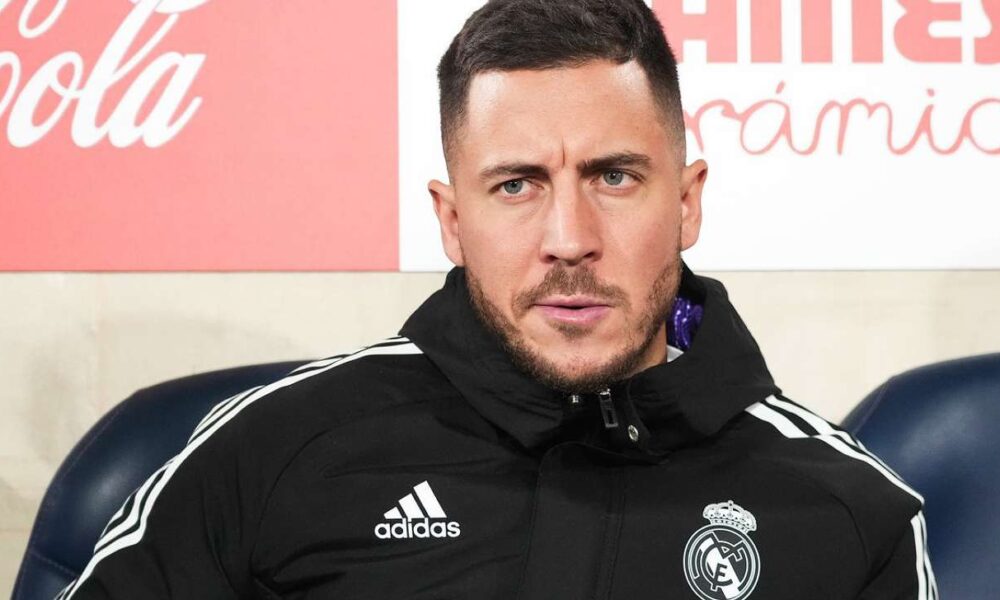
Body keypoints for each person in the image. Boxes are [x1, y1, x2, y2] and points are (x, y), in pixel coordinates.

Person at [60, 1, 936, 598]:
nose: (569, 237)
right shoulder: (271, 452)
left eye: (615, 176)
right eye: (517, 185)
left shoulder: (850, 510)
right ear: (452, 221)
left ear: (687, 201)